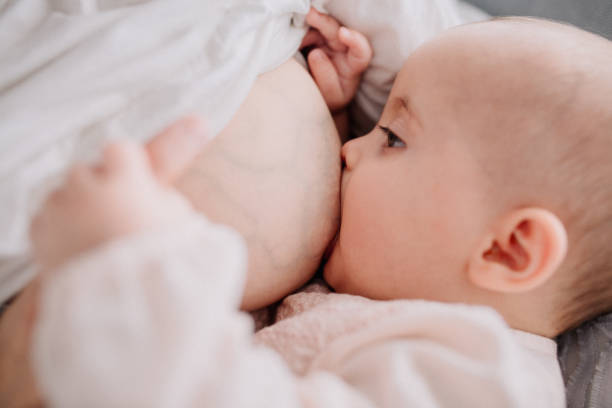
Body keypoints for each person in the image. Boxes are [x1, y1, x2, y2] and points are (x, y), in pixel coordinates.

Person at [20, 12, 612, 407]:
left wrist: (125, 258)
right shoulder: (412, 310)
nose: (351, 153)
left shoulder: (477, 383)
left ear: (506, 249)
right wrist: (328, 116)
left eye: (394, 139)